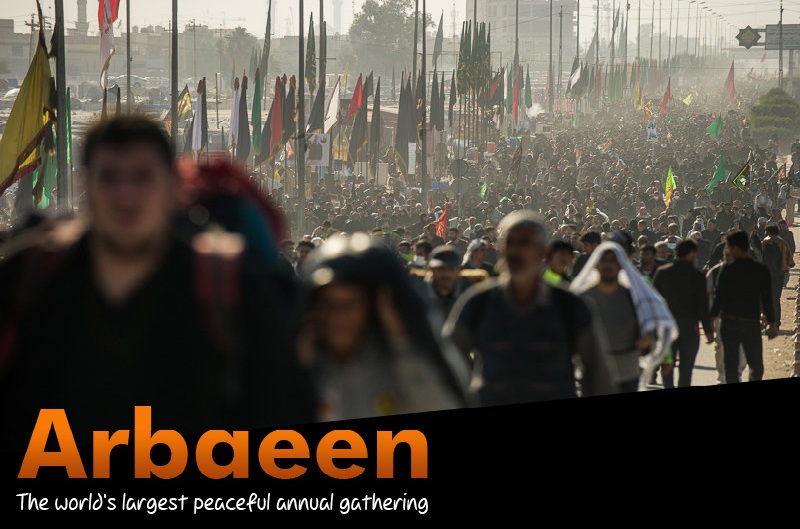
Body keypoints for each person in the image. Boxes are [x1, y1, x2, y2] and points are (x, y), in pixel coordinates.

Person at [0, 115, 317, 452]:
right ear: (85, 186)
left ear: (171, 188)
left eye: (142, 177)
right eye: (109, 177)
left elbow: (284, 416)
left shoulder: (228, 286)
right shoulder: (30, 276)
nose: (126, 194)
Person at [442, 210, 617, 406]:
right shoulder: (478, 303)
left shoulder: (570, 306)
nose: (515, 251)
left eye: (524, 243)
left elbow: (597, 371)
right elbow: (446, 363)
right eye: (510, 243)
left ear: (542, 252)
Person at [294, 233, 471, 420]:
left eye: (350, 305)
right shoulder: (306, 366)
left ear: (376, 309)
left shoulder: (405, 367)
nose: (338, 317)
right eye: (328, 304)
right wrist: (298, 372)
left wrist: (404, 350)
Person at [571, 239, 678, 392]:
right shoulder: (583, 298)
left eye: (613, 261)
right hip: (594, 372)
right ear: (596, 264)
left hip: (627, 371)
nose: (608, 265)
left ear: (621, 265)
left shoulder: (634, 297)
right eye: (604, 260)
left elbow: (650, 330)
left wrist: (647, 344)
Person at [709, 230, 778, 384]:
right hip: (750, 323)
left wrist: (711, 320)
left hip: (730, 323)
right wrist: (771, 323)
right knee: (756, 365)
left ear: (735, 248)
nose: (726, 250)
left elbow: (719, 298)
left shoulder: (727, 269)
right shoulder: (761, 269)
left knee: (731, 365)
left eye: (728, 247)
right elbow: (767, 300)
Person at [653, 239, 715, 388]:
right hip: (689, 326)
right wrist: (708, 330)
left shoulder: (662, 273)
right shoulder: (697, 276)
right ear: (692, 253)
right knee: (686, 367)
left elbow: (654, 302)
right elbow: (703, 305)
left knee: (667, 364)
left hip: (666, 326)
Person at [706, 243, 746, 384]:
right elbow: (708, 294)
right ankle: (722, 374)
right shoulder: (715, 272)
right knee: (721, 345)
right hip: (721, 316)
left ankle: (738, 372)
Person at [761, 223, 794, 327]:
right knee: (776, 299)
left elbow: (760, 257)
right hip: (779, 274)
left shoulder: (765, 242)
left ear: (768, 231)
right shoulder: (782, 242)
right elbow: (789, 260)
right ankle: (776, 321)